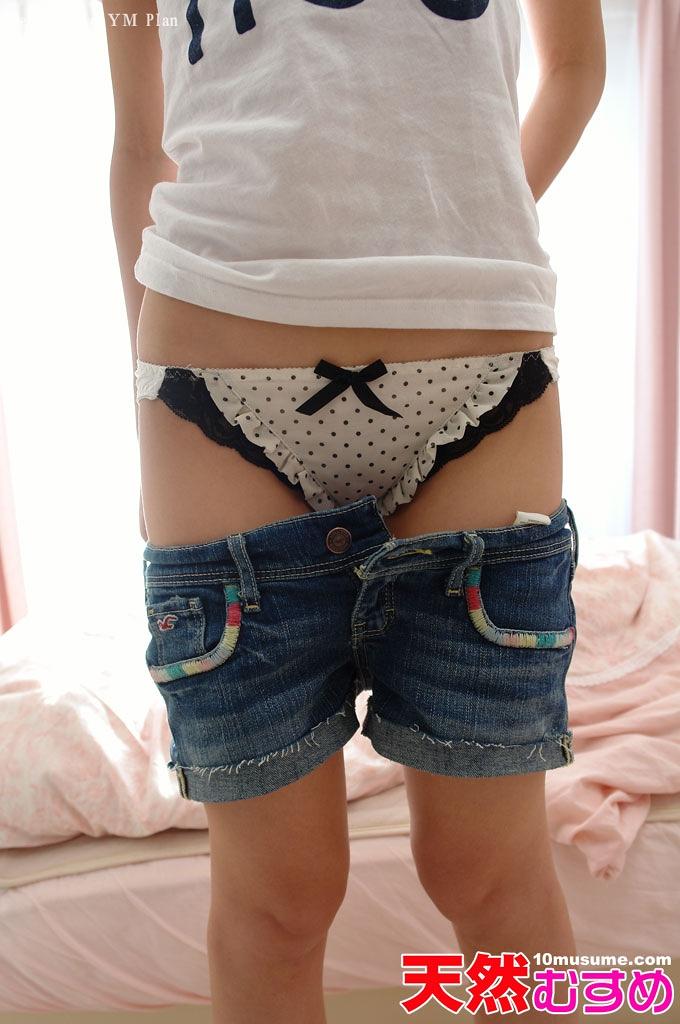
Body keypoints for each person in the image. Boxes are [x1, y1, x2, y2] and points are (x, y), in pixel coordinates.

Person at [103, 1, 605, 1021]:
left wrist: (465, 223)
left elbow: (575, 68)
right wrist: (144, 385)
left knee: (490, 872)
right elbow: (139, 144)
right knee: (277, 900)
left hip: (482, 373)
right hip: (210, 381)